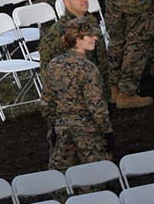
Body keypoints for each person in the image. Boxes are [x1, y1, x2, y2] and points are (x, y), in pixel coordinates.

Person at [41, 16, 113, 171]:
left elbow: (47, 102)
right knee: (93, 179)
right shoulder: (88, 68)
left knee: (61, 180)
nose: (95, 38)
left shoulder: (54, 65)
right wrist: (107, 131)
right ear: (78, 40)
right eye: (90, 35)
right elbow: (96, 105)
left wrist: (53, 126)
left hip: (61, 130)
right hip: (88, 133)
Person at [38, 0, 110, 96]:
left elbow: (100, 56)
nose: (84, 0)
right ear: (66, 2)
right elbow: (48, 64)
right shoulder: (59, 30)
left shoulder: (91, 21)